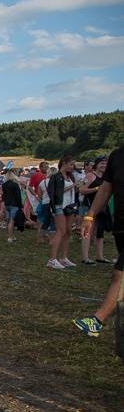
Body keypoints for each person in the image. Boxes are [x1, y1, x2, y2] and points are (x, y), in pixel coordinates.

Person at [74, 144, 123, 338]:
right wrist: (90, 216)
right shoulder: (118, 156)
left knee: (120, 274)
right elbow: (105, 189)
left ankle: (97, 320)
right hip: (120, 226)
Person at [46, 156, 78, 271]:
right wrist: (72, 186)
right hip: (59, 206)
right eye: (70, 164)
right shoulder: (56, 177)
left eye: (73, 165)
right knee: (61, 231)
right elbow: (54, 193)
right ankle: (52, 259)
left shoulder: (70, 177)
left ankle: (63, 257)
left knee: (68, 231)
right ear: (64, 163)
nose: (72, 167)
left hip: (70, 205)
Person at [2, 170, 24, 243]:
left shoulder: (4, 185)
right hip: (14, 204)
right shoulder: (15, 185)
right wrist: (20, 205)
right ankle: (10, 237)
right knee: (12, 221)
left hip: (7, 204)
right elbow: (18, 196)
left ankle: (12, 236)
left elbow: (3, 195)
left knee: (10, 221)